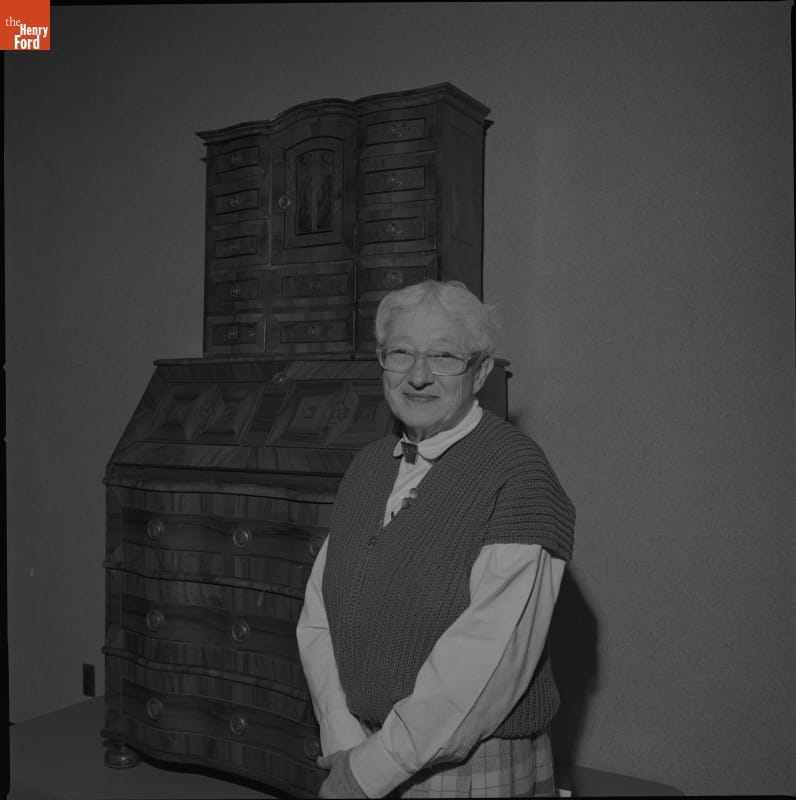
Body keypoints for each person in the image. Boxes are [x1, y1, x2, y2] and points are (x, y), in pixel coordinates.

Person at [296, 280, 575, 798]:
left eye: (444, 355)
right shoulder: (367, 466)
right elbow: (319, 612)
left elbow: (487, 661)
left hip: (462, 766)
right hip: (362, 746)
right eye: (401, 352)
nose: (419, 376)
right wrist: (339, 731)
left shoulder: (519, 474)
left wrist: (370, 770)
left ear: (481, 372)